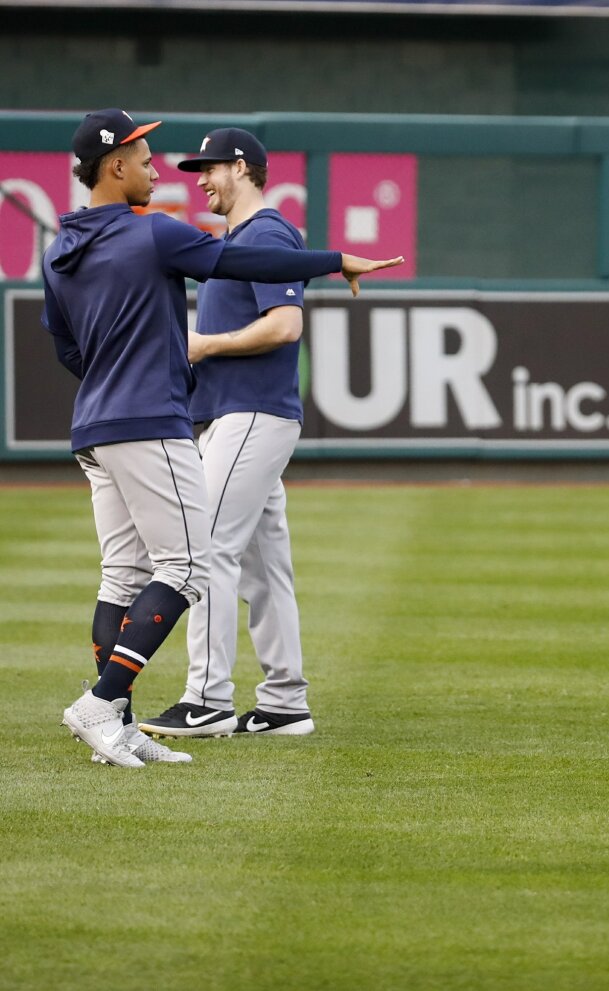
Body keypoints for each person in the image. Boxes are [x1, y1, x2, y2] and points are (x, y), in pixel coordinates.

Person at [44, 108, 402, 767]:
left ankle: (118, 723)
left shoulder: (60, 251)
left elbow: (66, 346)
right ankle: (107, 700)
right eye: (144, 156)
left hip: (93, 425)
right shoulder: (151, 235)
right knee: (187, 564)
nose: (160, 168)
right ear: (114, 167)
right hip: (149, 420)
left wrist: (114, 374)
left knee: (124, 573)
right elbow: (239, 261)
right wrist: (334, 259)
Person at [139, 128, 318, 740]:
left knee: (204, 548)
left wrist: (204, 345)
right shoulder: (238, 239)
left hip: (251, 412)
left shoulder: (266, 233)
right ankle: (285, 703)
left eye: (209, 168)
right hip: (241, 414)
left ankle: (207, 697)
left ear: (241, 168)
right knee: (265, 568)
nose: (201, 180)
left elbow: (286, 325)